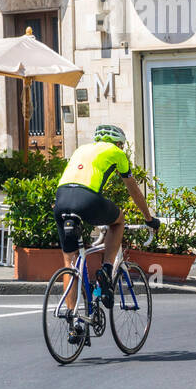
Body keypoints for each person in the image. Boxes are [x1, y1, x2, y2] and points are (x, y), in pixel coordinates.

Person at [53, 125, 158, 330]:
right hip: (87, 199)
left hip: (61, 199)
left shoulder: (81, 149)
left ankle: (73, 322)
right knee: (118, 220)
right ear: (118, 143)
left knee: (70, 260)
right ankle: (107, 268)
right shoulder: (117, 153)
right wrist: (149, 218)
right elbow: (134, 191)